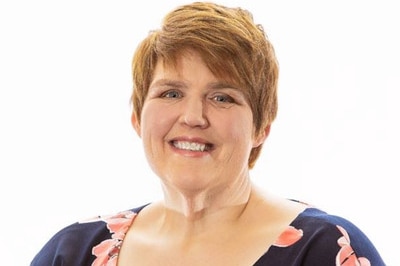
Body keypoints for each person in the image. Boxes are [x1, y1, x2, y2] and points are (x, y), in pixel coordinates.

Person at [30, 2, 385, 265]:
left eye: (221, 97)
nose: (193, 116)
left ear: (262, 125)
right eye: (171, 93)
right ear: (138, 117)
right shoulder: (72, 252)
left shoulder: (328, 251)